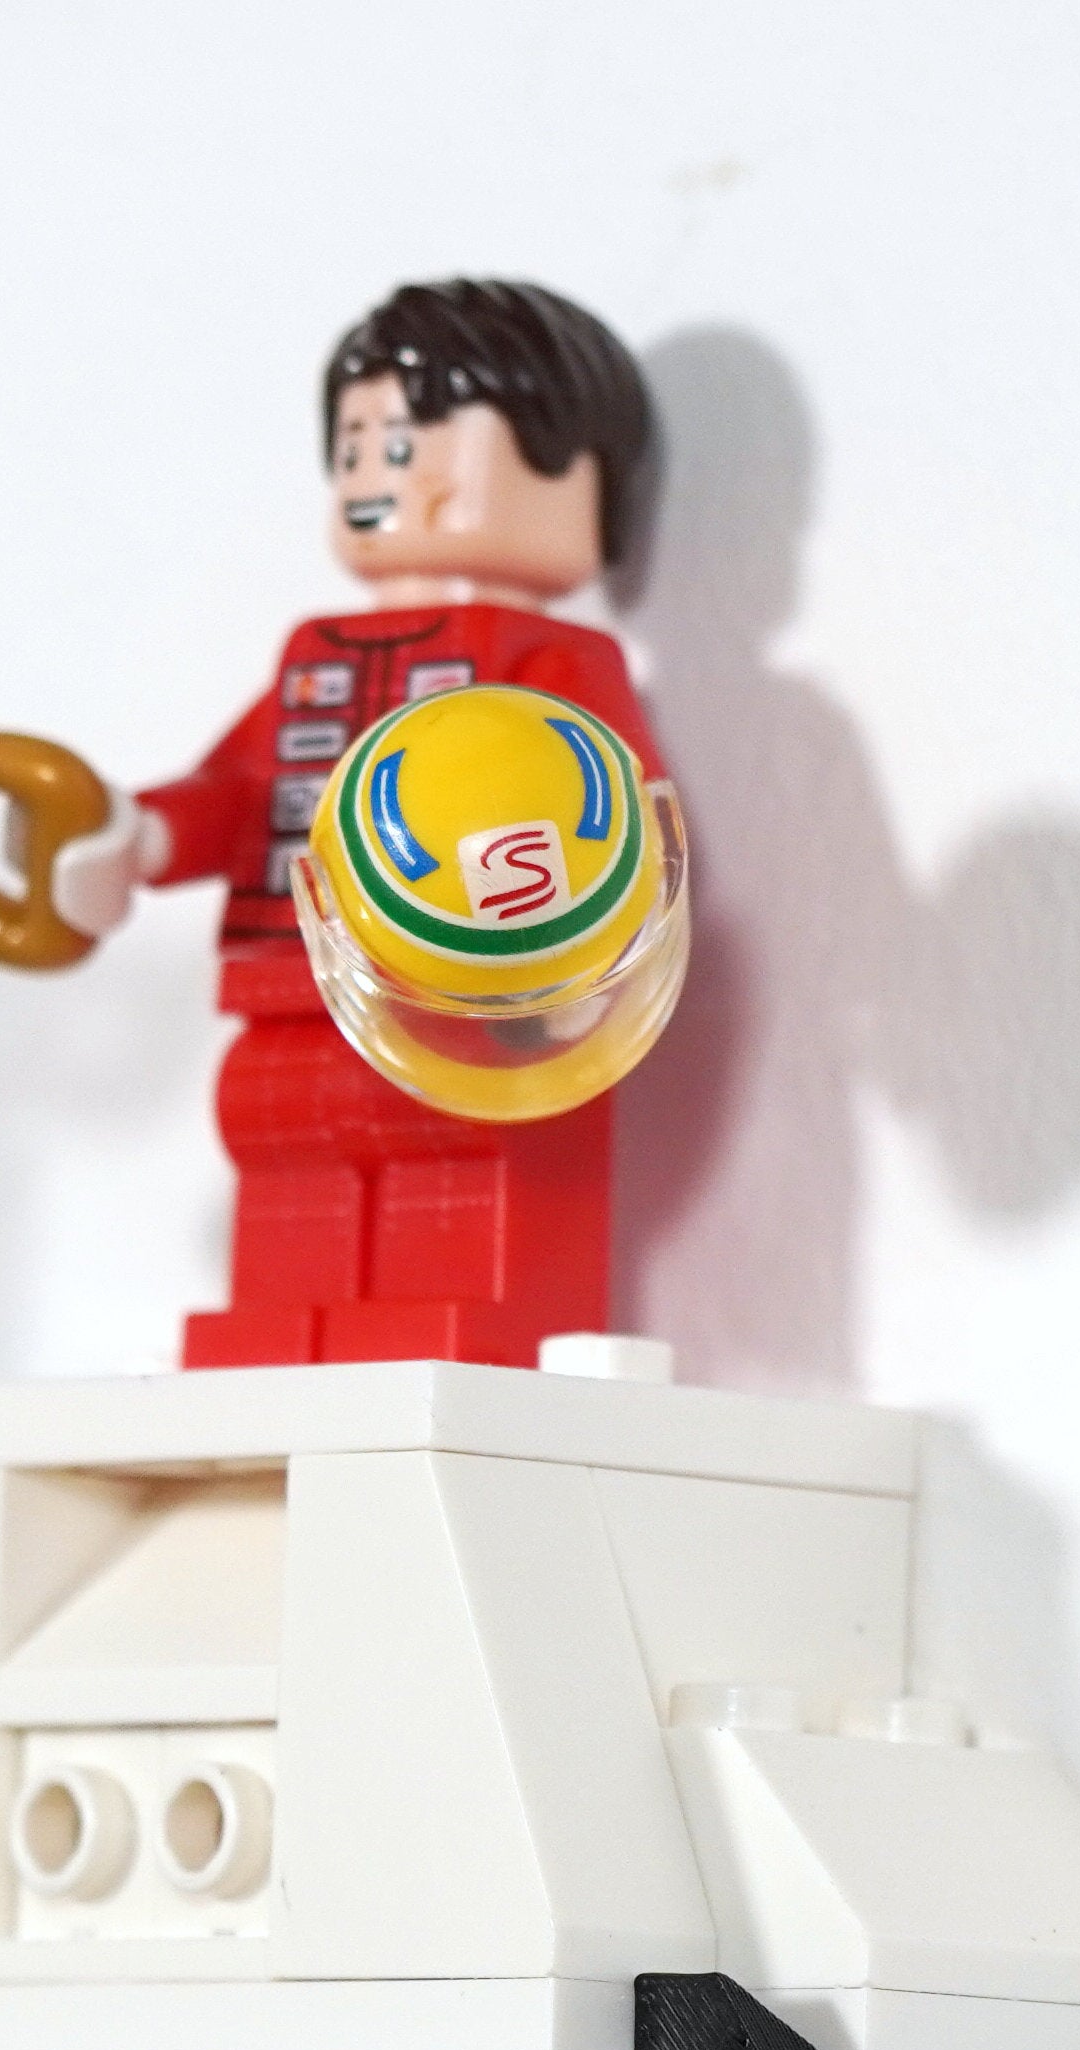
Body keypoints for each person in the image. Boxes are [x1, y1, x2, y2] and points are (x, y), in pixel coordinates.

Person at [54, 279, 667, 1368]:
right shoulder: (315, 660)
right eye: (359, 448)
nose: (382, 478)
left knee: (457, 1157)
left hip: (462, 1002)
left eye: (415, 445)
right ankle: (281, 1327)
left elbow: (610, 819)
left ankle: (461, 1322)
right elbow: (238, 789)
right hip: (286, 985)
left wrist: (564, 963)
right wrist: (142, 837)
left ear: (578, 476)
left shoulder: (550, 668)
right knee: (283, 1143)